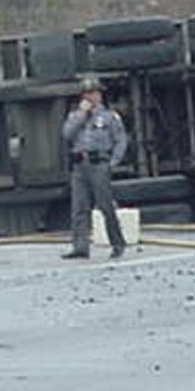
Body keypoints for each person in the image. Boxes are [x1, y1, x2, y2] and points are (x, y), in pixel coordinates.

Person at [61, 76, 128, 260]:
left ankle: (117, 243)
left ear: (99, 95)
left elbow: (120, 140)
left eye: (93, 93)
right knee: (79, 208)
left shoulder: (109, 117)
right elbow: (67, 134)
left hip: (99, 164)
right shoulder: (75, 116)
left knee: (105, 206)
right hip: (80, 165)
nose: (89, 97)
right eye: (86, 93)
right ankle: (80, 247)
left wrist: (113, 163)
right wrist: (81, 114)